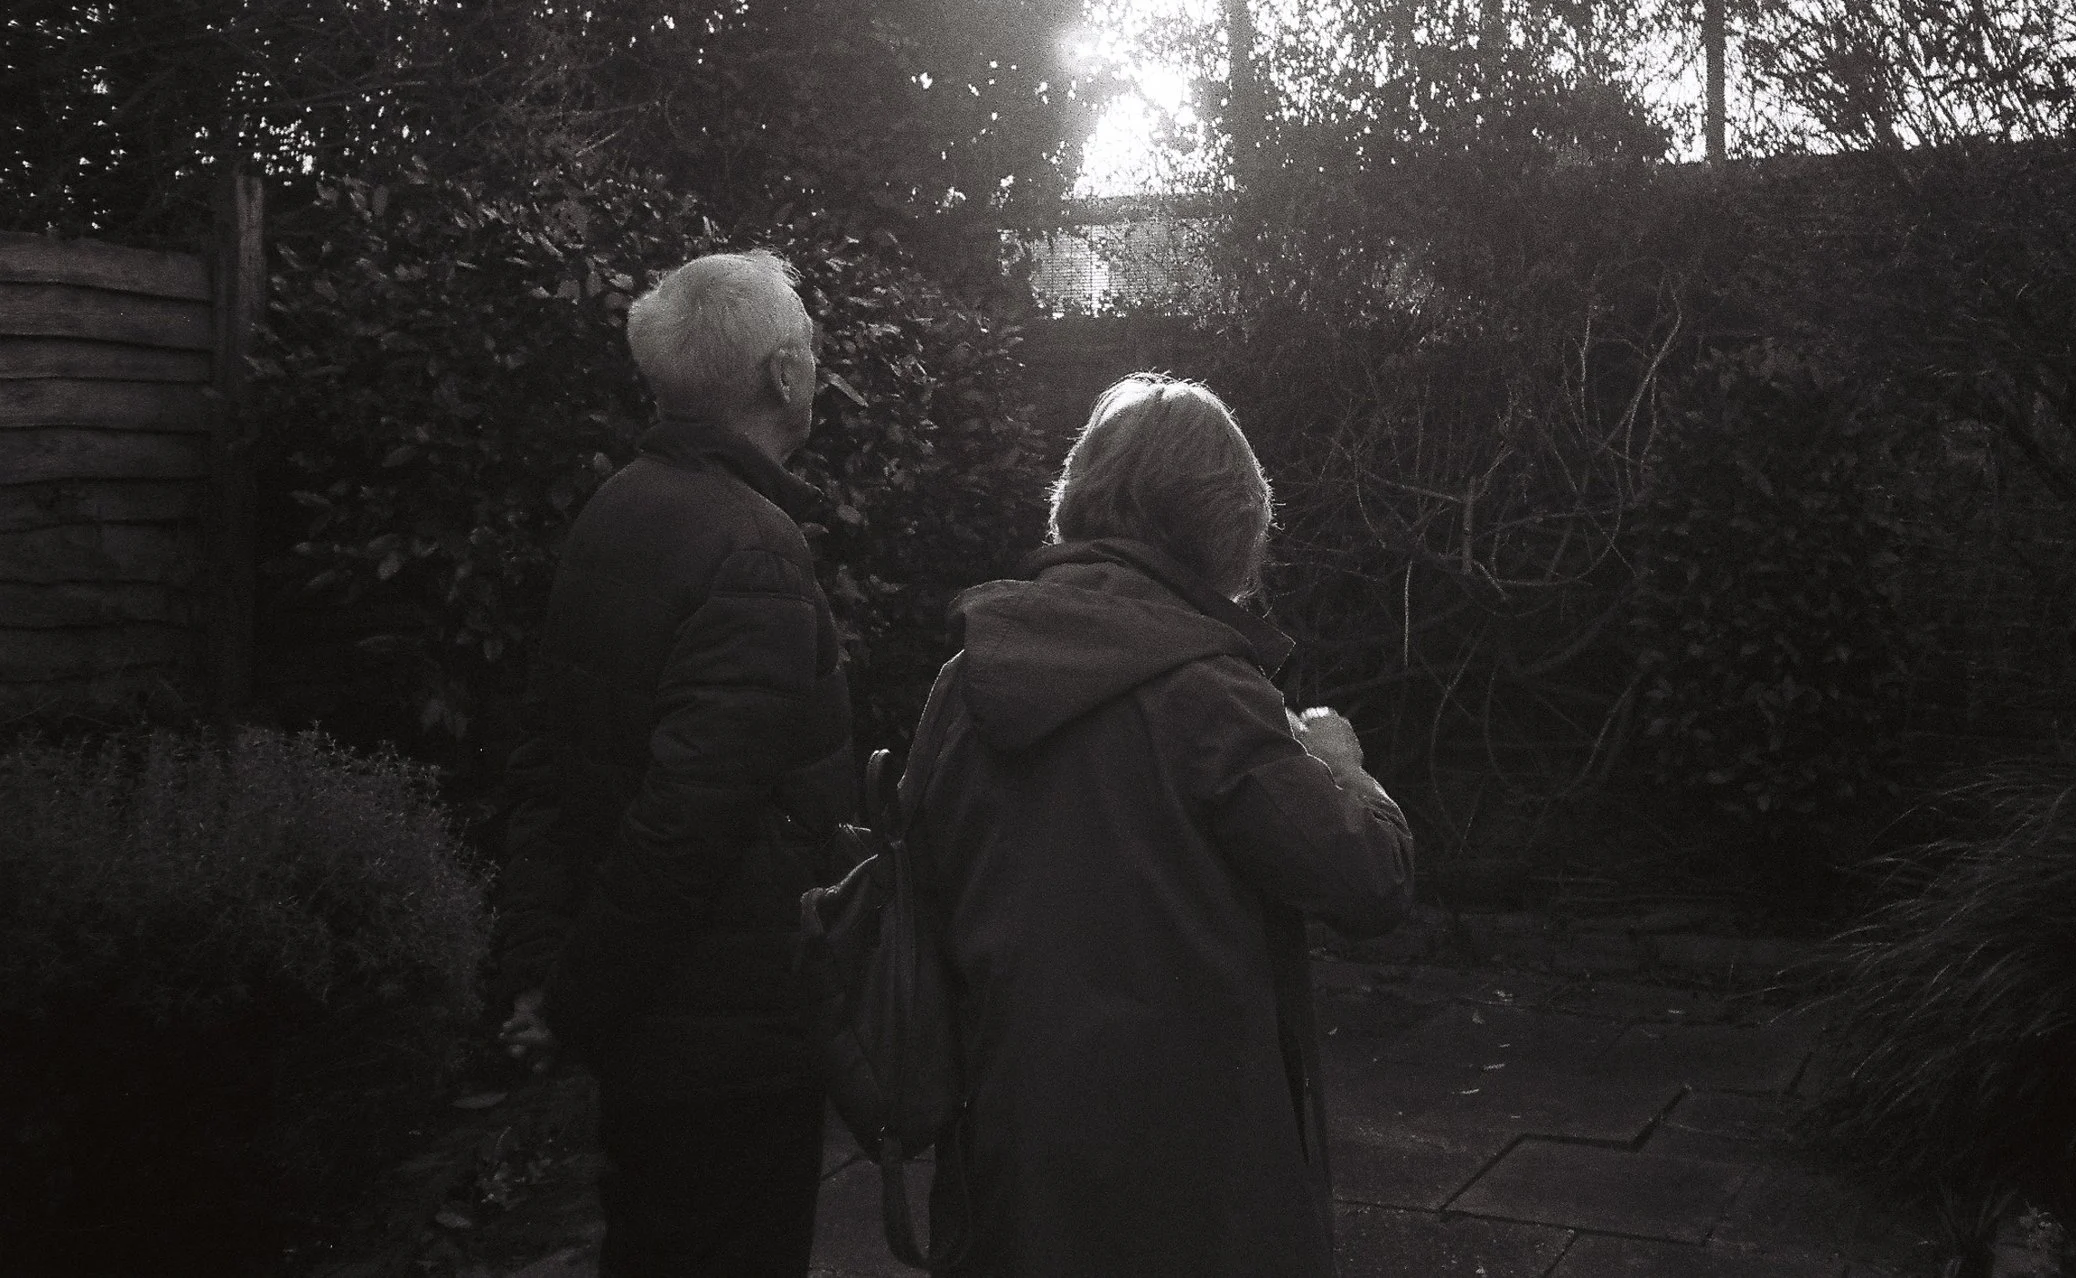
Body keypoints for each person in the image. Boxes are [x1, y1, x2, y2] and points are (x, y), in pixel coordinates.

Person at [910, 373, 1415, 1277]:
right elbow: (1371, 880)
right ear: (1229, 524)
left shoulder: (966, 678)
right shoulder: (1212, 693)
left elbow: (924, 889)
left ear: (1080, 496)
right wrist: (1341, 766)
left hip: (1010, 1151)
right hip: (1194, 1177)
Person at [488, 251, 855, 1278]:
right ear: (783, 375)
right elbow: (685, 828)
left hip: (653, 1040)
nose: (818, 365)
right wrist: (567, 999)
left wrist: (547, 973)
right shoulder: (754, 549)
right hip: (730, 1047)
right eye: (811, 346)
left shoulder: (617, 506)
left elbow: (546, 763)